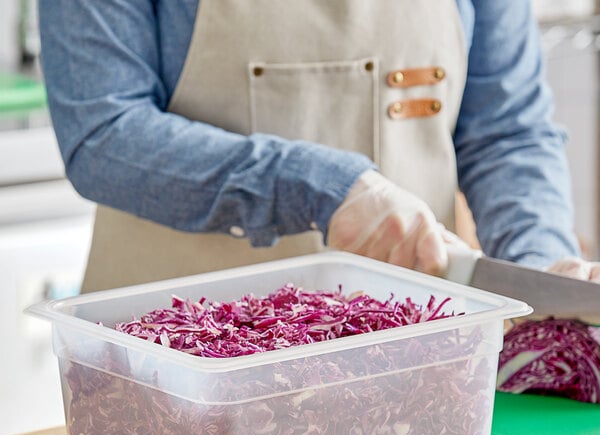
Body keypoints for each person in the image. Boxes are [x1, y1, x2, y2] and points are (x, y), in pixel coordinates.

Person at [38, 0, 600, 293]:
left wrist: (541, 262)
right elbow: (102, 132)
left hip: (418, 358)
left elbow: (506, 130)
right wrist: (322, 189)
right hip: (172, 372)